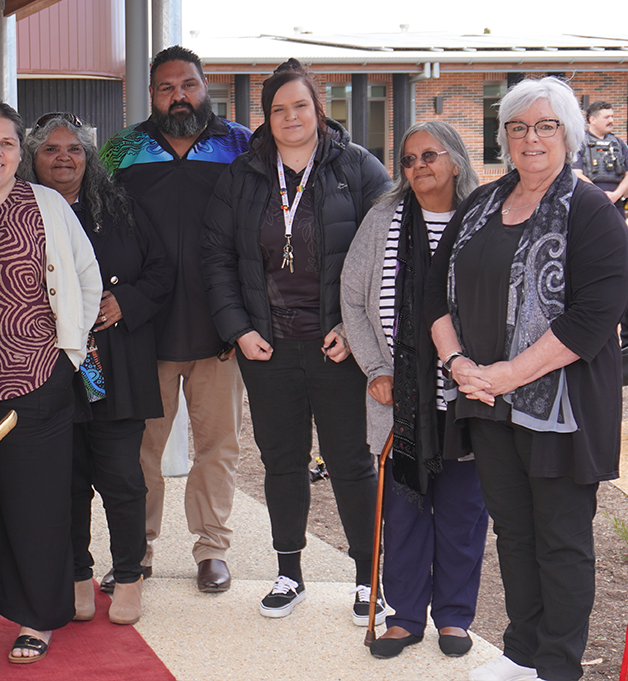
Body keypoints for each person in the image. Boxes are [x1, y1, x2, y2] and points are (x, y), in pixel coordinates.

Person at [425, 76, 628, 681]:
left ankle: (558, 667)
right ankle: (522, 658)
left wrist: (508, 373)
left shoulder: (593, 212)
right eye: (518, 127)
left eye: (545, 126)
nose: (531, 138)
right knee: (513, 536)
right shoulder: (481, 206)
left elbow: (594, 315)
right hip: (487, 404)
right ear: (504, 138)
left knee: (562, 542)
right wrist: (460, 366)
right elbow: (435, 291)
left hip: (562, 411)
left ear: (568, 134)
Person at [201, 58, 390, 623]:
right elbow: (217, 259)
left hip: (338, 347)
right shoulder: (242, 174)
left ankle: (368, 579)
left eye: (300, 106)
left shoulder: (357, 169)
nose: (290, 117)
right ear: (266, 118)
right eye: (278, 109)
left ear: (319, 109)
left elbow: (387, 257)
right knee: (282, 462)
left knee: (351, 460)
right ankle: (289, 572)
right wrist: (238, 328)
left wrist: (353, 331)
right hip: (269, 347)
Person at [100, 45, 253, 595]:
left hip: (220, 327)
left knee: (219, 444)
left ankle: (212, 547)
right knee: (140, 448)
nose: (178, 96)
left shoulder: (240, 143)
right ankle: (135, 547)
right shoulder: (122, 149)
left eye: (187, 85)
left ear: (204, 85)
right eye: (166, 88)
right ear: (151, 95)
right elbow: (101, 226)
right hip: (144, 328)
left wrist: (246, 318)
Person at [341, 120, 488, 659]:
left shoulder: (484, 214)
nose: (418, 166)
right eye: (408, 159)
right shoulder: (383, 218)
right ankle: (403, 618)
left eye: (430, 155)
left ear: (455, 158)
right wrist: (377, 368)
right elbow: (352, 299)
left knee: (463, 510)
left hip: (468, 394)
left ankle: (453, 617)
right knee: (403, 511)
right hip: (397, 397)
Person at [22, 112, 172, 626]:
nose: (64, 158)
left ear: (88, 157)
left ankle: (129, 576)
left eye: (74, 149)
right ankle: (78, 575)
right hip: (48, 371)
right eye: (50, 150)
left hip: (113, 366)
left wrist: (125, 301)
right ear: (32, 158)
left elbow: (162, 271)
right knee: (66, 480)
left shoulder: (121, 208)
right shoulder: (18, 209)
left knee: (122, 478)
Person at [0, 101, 101, 663]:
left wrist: (68, 352)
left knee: (37, 507)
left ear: (20, 155)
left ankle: (36, 619)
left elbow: (87, 278)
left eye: (8, 144)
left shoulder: (44, 204)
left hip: (38, 381)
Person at [572, 101, 628, 216]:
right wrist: (599, 195)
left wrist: (616, 195)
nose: (611, 121)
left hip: (616, 205)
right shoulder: (579, 143)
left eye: (612, 117)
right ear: (592, 120)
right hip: (588, 205)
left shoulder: (619, 143)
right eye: (606, 117)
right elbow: (576, 173)